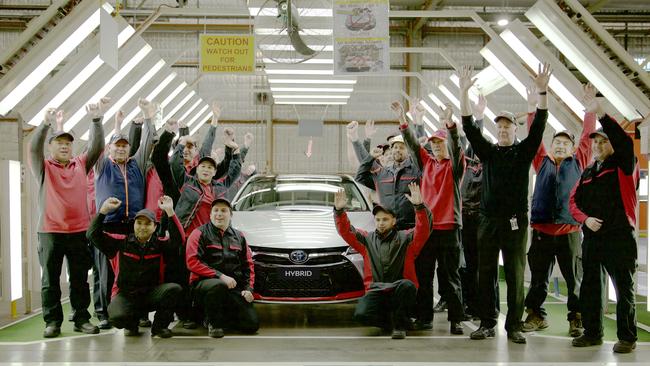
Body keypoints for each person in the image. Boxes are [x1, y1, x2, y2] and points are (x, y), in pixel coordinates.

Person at [460, 63, 552, 344]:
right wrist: (463, 92)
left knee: (514, 273)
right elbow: (467, 126)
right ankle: (487, 323)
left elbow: (539, 125)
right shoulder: (487, 152)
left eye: (507, 126)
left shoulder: (523, 152)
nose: (502, 130)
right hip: (487, 221)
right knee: (485, 273)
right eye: (499, 126)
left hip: (515, 221)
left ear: (514, 129)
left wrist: (542, 92)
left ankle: (513, 326)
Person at [522, 83, 597, 337]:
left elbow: (588, 136)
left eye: (566, 143)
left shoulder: (579, 162)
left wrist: (590, 109)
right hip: (542, 232)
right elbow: (534, 136)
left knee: (574, 279)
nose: (561, 146)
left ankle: (576, 318)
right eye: (557, 142)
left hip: (569, 232)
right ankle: (535, 315)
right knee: (539, 279)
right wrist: (532, 108)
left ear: (573, 148)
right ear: (551, 146)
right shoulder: (540, 161)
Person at [28, 101, 107, 338]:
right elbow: (33, 148)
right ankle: (52, 322)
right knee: (50, 280)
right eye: (59, 142)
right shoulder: (43, 167)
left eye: (68, 143)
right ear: (50, 146)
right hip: (50, 232)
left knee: (80, 279)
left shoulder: (81, 164)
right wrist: (44, 124)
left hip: (79, 231)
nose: (64, 146)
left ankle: (81, 318)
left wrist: (96, 121)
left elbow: (97, 147)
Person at [569, 92, 639, 353]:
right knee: (590, 287)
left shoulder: (623, 165)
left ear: (611, 145)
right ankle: (592, 332)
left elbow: (624, 143)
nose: (597, 145)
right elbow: (572, 202)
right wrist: (585, 220)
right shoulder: (588, 172)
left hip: (620, 237)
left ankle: (627, 338)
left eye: (602, 141)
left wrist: (601, 114)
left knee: (624, 289)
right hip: (593, 238)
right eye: (595, 142)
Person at [395, 101, 466, 334]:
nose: (436, 147)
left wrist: (450, 126)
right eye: (433, 143)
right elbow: (414, 145)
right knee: (424, 276)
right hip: (426, 229)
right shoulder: (426, 163)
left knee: (451, 277)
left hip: (449, 229)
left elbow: (456, 147)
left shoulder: (455, 166)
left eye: (439, 143)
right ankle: (424, 317)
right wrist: (403, 121)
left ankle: (456, 320)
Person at [334, 183, 431, 339]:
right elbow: (346, 231)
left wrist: (419, 207)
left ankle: (400, 327)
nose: (380, 223)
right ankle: (392, 321)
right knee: (361, 315)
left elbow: (424, 229)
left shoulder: (406, 239)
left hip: (400, 290)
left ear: (394, 221)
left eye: (385, 219)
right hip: (376, 290)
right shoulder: (366, 240)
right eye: (378, 219)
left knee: (407, 285)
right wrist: (339, 212)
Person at [87, 196, 184, 338]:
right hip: (126, 296)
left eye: (147, 224)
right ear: (134, 225)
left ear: (155, 226)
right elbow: (92, 234)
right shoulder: (121, 243)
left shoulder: (160, 245)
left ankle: (159, 327)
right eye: (139, 223)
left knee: (174, 289)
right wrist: (103, 211)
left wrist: (170, 211)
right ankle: (131, 323)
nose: (142, 227)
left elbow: (179, 239)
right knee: (116, 316)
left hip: (151, 295)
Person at [186, 198, 259, 338]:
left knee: (251, 325)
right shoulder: (199, 233)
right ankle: (213, 323)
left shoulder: (239, 236)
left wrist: (248, 289)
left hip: (232, 288)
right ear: (210, 214)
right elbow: (192, 261)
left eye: (224, 210)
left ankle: (215, 315)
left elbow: (248, 265)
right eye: (216, 210)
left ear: (230, 215)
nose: (219, 214)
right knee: (218, 285)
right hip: (204, 286)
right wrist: (220, 275)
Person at [355, 127, 421, 231]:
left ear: (408, 151)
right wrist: (370, 157)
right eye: (395, 147)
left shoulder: (417, 171)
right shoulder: (382, 173)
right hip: (388, 229)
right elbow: (360, 177)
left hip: (411, 228)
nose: (398, 150)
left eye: (402, 147)